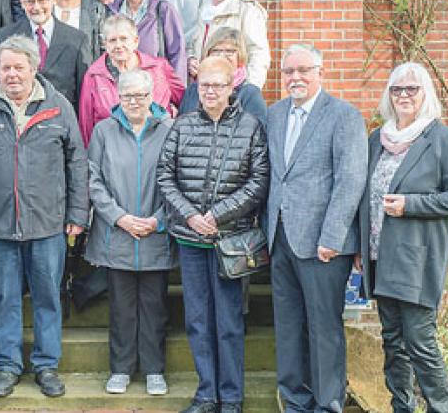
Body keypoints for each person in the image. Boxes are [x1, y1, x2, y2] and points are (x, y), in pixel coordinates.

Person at [0, 36, 89, 399]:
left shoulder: (58, 106)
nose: (12, 74)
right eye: (6, 67)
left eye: (19, 67)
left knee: (48, 296)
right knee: (5, 298)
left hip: (48, 224)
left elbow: (77, 163)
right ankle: (7, 365)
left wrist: (78, 212)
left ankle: (46, 365)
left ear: (34, 68)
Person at [356, 62, 448, 413]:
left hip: (417, 259)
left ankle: (441, 408)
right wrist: (360, 247)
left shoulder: (441, 139)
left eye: (412, 89)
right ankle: (401, 407)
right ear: (388, 95)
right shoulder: (377, 138)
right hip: (380, 256)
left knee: (420, 341)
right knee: (392, 342)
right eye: (397, 89)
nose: (404, 96)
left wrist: (411, 204)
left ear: (426, 94)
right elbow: (364, 196)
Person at [157, 56, 270, 413]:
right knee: (198, 320)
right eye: (204, 85)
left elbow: (258, 180)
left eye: (217, 85)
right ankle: (207, 393)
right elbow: (165, 176)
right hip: (190, 240)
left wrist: (217, 214)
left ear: (231, 87)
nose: (210, 91)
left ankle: (232, 397)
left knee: (229, 322)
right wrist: (190, 215)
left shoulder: (251, 127)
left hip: (229, 242)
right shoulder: (182, 125)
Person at [265, 44, 368, 413]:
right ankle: (294, 401)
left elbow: (351, 180)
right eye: (289, 71)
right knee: (289, 326)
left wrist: (332, 237)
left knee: (323, 328)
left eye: (303, 70)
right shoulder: (274, 114)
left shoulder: (343, 115)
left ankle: (328, 404)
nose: (295, 78)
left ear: (320, 71)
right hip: (281, 238)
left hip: (324, 244)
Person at [85, 69, 176, 397]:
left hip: (156, 234)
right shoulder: (103, 132)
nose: (134, 101)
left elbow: (181, 183)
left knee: (154, 306)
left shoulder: (169, 130)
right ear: (117, 97)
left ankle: (154, 369)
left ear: (152, 96)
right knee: (121, 307)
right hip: (117, 235)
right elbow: (92, 179)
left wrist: (157, 220)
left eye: (140, 95)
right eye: (128, 96)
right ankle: (121, 368)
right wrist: (119, 217)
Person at [78, 15, 183, 145]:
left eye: (123, 39)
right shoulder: (94, 76)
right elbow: (86, 125)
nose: (118, 45)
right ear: (104, 44)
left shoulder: (159, 68)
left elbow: (185, 101)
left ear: (135, 41)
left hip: (159, 148)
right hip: (113, 152)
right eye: (112, 40)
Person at [0, 0, 88, 109]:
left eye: (42, 0)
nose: (36, 7)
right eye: (30, 1)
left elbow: (83, 92)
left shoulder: (77, 39)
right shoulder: (6, 37)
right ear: (22, 2)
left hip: (61, 118)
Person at [194, 0, 270, 88]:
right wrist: (191, 59)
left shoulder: (247, 10)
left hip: (235, 88)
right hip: (206, 87)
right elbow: (193, 44)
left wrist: (251, 88)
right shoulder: (201, 10)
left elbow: (258, 53)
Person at [108, 0, 187, 81]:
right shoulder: (111, 12)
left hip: (155, 87)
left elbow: (178, 54)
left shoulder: (163, 11)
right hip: (119, 88)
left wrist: (177, 95)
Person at [180, 27, 267, 126]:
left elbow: (258, 135)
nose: (222, 56)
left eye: (229, 51)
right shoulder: (193, 91)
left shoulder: (249, 94)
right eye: (216, 51)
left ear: (239, 56)